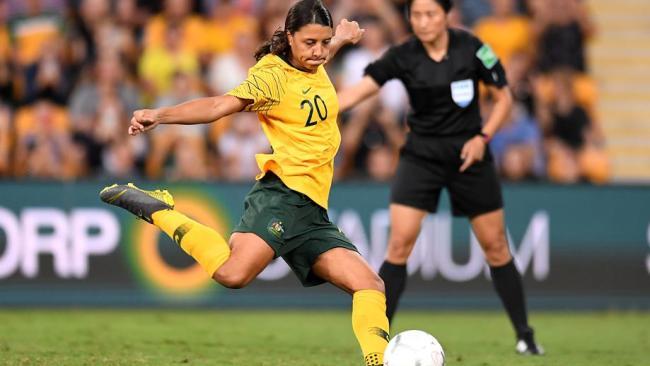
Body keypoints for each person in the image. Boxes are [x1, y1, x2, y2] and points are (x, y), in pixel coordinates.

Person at [99, 1, 390, 365]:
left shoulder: (313, 60)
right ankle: (160, 210)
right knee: (232, 275)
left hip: (313, 211)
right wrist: (161, 114)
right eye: (311, 43)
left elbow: (319, 56)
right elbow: (220, 106)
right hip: (282, 196)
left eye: (324, 42)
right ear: (289, 38)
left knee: (370, 285)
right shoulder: (272, 76)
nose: (318, 52)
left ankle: (379, 361)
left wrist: (342, 38)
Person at [337, 0, 543, 355]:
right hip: (421, 157)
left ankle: (525, 335)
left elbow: (504, 99)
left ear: (446, 15)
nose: (422, 21)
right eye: (416, 15)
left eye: (430, 14)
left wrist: (483, 138)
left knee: (496, 247)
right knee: (399, 246)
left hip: (470, 156)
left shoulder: (473, 48)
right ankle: (377, 341)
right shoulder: (404, 54)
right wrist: (320, 106)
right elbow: (361, 89)